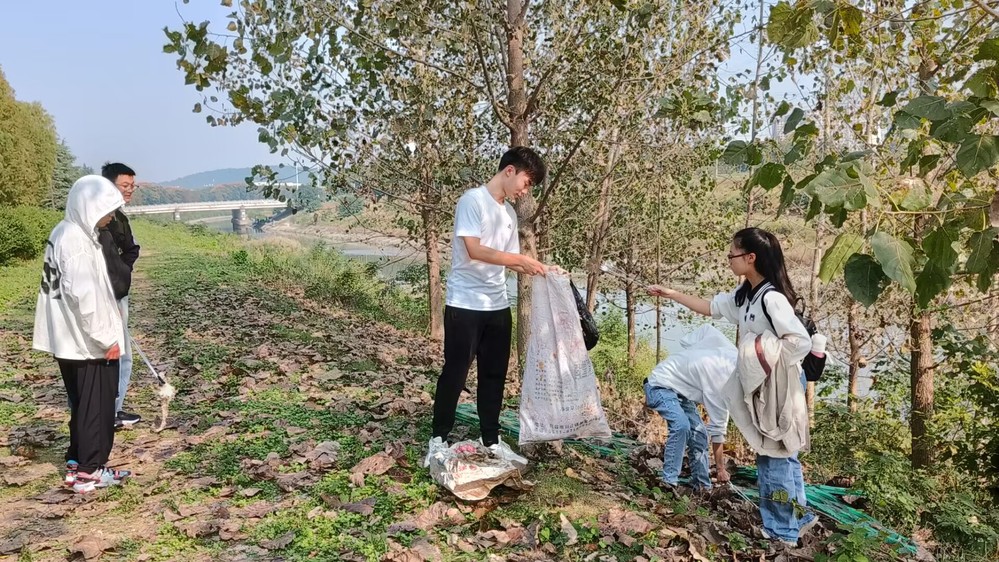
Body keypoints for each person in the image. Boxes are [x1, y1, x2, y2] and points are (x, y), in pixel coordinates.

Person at [647, 227, 819, 546]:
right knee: (782, 453)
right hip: (766, 385)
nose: (729, 259)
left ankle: (782, 532)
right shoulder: (746, 296)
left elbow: (799, 341)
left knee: (774, 456)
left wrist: (760, 354)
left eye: (732, 254)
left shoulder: (772, 298)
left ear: (750, 258)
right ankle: (798, 517)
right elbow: (709, 307)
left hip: (778, 386)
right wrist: (670, 294)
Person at [424, 147, 550, 468]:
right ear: (509, 171)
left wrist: (541, 269)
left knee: (494, 374)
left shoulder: (509, 215)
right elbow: (475, 249)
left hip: (497, 305)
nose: (525, 191)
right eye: (526, 182)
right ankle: (438, 438)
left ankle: (491, 440)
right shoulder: (473, 201)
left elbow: (510, 261)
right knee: (455, 372)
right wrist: (520, 259)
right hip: (464, 303)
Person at [33, 175, 133, 493]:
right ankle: (90, 471)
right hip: (86, 341)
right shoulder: (75, 241)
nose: (111, 218)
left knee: (82, 403)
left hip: (68, 339)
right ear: (90, 207)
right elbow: (85, 297)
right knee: (98, 405)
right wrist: (107, 338)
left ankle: (77, 461)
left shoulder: (63, 231)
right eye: (108, 210)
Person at [644, 325, 736, 492]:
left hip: (681, 392)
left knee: (699, 434)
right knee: (681, 426)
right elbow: (718, 431)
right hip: (659, 384)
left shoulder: (733, 353)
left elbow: (706, 329)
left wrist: (691, 352)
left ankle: (702, 486)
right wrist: (720, 469)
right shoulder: (721, 383)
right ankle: (669, 482)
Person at [98, 162, 141, 429]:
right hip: (101, 299)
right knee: (109, 354)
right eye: (125, 185)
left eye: (132, 186)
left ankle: (114, 408)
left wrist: (122, 272)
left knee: (123, 356)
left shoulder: (120, 219)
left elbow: (131, 249)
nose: (130, 190)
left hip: (118, 294)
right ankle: (104, 413)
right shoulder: (96, 220)